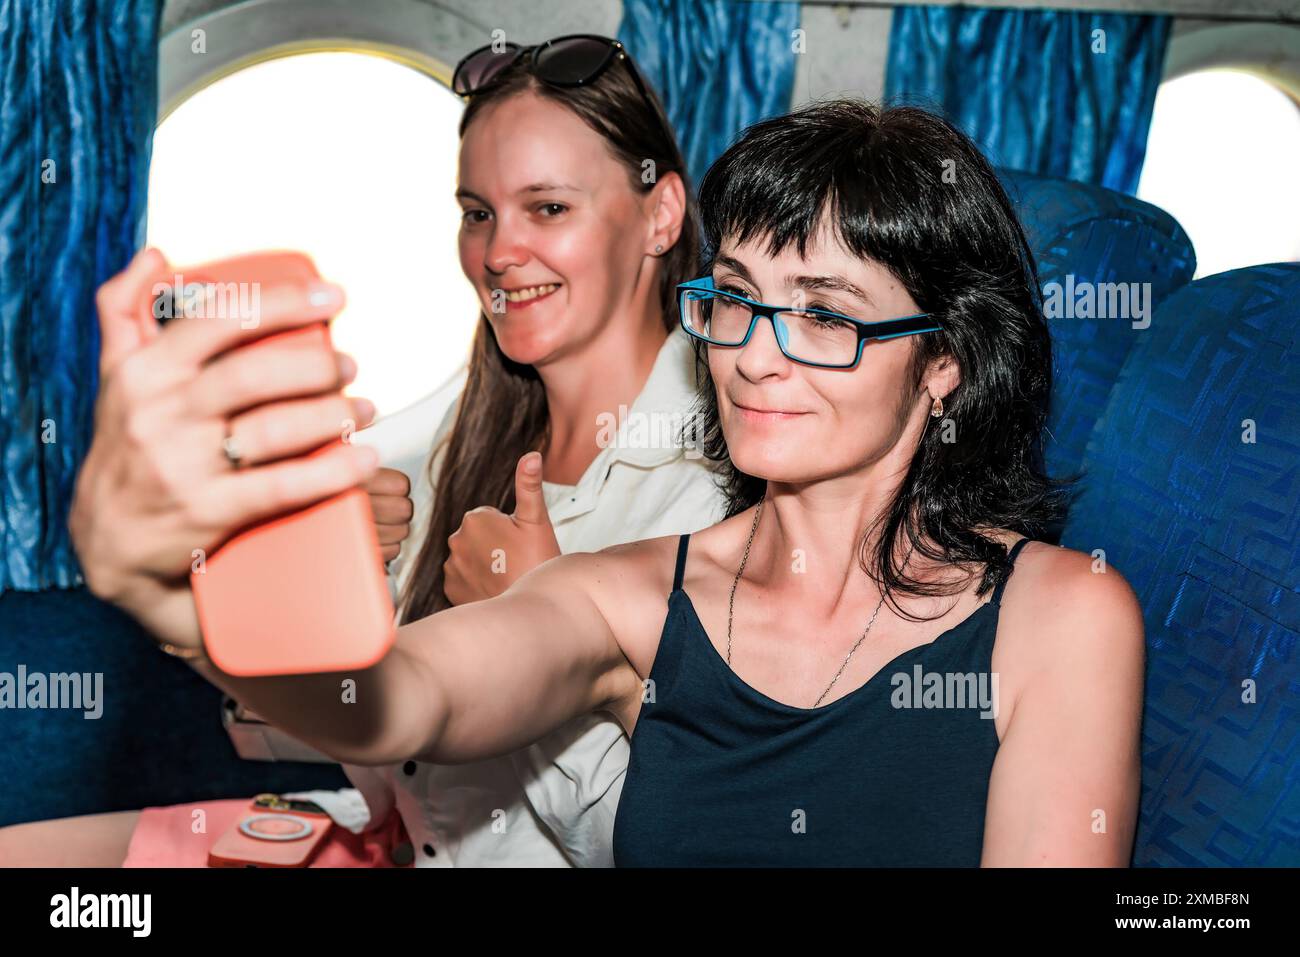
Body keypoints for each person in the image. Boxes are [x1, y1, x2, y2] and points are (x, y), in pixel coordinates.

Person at [49, 99, 1146, 866]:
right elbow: (390, 700)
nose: (755, 354)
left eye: (822, 314)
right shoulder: (623, 597)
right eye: (738, 300)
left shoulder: (1059, 617)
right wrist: (176, 594)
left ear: (945, 363)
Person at [0, 35, 725, 867]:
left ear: (660, 215)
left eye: (548, 208)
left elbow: (667, 843)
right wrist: (289, 585)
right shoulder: (473, 438)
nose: (496, 253)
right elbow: (389, 754)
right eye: (477, 212)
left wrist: (532, 602)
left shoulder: (709, 488)